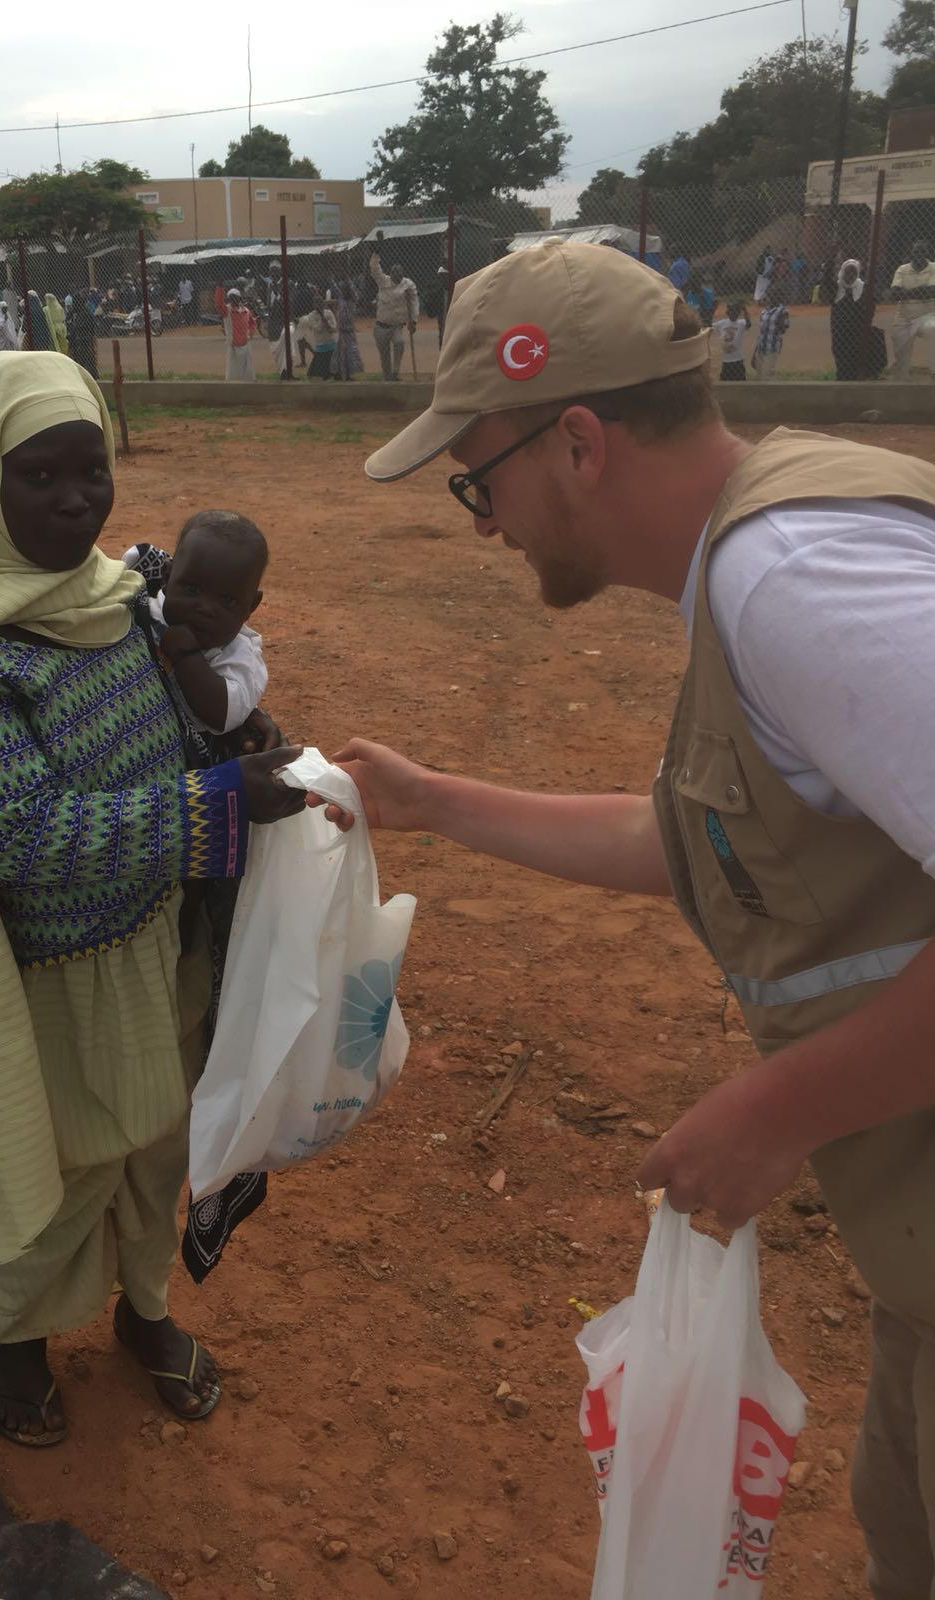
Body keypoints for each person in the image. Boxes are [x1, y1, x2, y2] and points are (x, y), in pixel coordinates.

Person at [322, 237, 935, 1600]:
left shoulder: (792, 582)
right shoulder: (758, 556)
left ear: (581, 442)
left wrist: (778, 1112)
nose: (482, 522)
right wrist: (437, 803)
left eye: (478, 478)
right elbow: (702, 835)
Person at [0, 352, 305, 1447]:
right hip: (55, 978)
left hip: (160, 940)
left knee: (157, 1152)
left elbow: (187, 714)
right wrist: (214, 804)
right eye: (36, 474)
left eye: (89, 468)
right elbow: (20, 831)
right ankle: (17, 1337)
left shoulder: (122, 596)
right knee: (63, 1175)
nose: (72, 498)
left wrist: (236, 742)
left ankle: (144, 1311)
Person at [123, 511, 267, 739]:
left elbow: (225, 714)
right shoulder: (138, 610)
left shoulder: (240, 655)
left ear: (250, 607)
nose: (206, 608)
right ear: (167, 578)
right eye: (192, 589)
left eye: (228, 601)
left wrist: (186, 655)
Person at [889, 239, 935, 381]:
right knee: (902, 356)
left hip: (927, 316)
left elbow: (931, 292)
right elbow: (894, 294)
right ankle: (902, 379)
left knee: (934, 329)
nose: (919, 255)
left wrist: (905, 293)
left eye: (922, 251)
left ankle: (934, 371)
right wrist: (921, 292)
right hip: (904, 319)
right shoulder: (902, 269)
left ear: (928, 253)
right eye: (916, 252)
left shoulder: (934, 267)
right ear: (911, 254)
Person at [369, 251, 418, 381]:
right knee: (384, 356)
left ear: (403, 275)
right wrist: (376, 253)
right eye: (395, 275)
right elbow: (374, 269)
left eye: (400, 276)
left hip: (397, 326)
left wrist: (413, 321)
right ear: (390, 274)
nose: (398, 278)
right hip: (381, 326)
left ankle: (396, 371)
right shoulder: (383, 281)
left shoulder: (408, 284)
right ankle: (388, 377)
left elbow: (414, 302)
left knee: (399, 343)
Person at [831, 259, 869, 381]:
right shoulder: (837, 287)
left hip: (857, 331)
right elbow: (825, 287)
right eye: (847, 272)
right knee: (840, 356)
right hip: (839, 331)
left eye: (854, 272)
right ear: (842, 272)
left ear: (857, 273)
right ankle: (841, 377)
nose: (850, 275)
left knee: (856, 357)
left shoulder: (863, 288)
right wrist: (832, 258)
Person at [295, 297, 338, 380]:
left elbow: (334, 327)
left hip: (331, 343)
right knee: (317, 374)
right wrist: (322, 318)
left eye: (321, 303)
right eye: (317, 304)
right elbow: (317, 329)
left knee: (335, 369)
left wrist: (329, 325)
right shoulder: (311, 316)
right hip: (321, 344)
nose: (319, 306)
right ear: (314, 305)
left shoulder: (328, 312)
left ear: (323, 304)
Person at [752, 285, 790, 381]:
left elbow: (783, 330)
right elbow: (760, 333)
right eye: (770, 294)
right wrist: (754, 353)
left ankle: (772, 394)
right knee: (759, 375)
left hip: (772, 348)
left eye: (776, 295)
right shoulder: (764, 312)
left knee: (768, 374)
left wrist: (781, 321)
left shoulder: (782, 311)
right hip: (761, 348)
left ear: (780, 297)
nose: (772, 297)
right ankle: (762, 395)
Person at [221, 288, 258, 381]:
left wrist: (251, 334)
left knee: (247, 371)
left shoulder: (246, 311)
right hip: (233, 345)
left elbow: (252, 323)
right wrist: (219, 288)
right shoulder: (227, 311)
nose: (234, 300)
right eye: (231, 298)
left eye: (236, 297)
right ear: (229, 299)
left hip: (246, 344)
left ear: (239, 298)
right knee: (233, 371)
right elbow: (218, 305)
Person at [333, 279, 364, 380]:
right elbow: (335, 288)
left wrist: (348, 280)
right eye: (343, 290)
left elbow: (354, 292)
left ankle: (347, 375)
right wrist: (332, 278)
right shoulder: (341, 299)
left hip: (349, 332)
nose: (344, 292)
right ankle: (340, 374)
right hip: (341, 332)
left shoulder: (352, 300)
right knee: (340, 355)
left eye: (346, 290)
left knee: (350, 354)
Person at [711, 299, 748, 380]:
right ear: (727, 313)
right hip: (726, 361)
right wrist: (712, 311)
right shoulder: (722, 323)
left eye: (736, 311)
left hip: (738, 360)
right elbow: (709, 325)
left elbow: (749, 324)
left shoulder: (741, 323)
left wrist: (745, 310)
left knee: (740, 382)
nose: (733, 314)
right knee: (725, 383)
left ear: (739, 313)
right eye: (731, 311)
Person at [65, 293, 98, 377]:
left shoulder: (84, 312)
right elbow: (67, 319)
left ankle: (89, 374)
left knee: (86, 355)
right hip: (78, 337)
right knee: (80, 355)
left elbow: (88, 326)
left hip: (84, 337)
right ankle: (82, 373)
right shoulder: (75, 311)